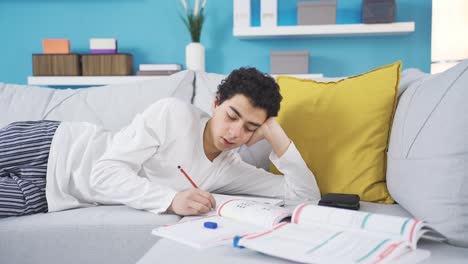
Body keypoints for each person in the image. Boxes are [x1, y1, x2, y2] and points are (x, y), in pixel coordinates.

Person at [0, 67, 320, 218]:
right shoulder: (175, 113)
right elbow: (104, 172)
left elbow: (304, 196)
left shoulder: (230, 171)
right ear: (216, 102)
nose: (236, 133)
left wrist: (277, 134)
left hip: (48, 196)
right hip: (52, 144)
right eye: (232, 115)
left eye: (251, 128)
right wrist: (170, 200)